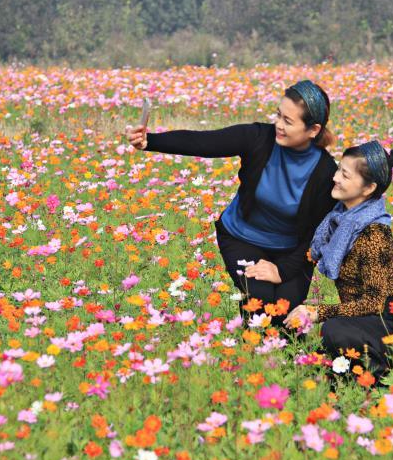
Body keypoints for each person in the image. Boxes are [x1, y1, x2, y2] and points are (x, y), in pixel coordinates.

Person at [127, 80, 337, 323]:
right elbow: (204, 142)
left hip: (292, 252)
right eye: (278, 115)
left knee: (286, 315)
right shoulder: (258, 137)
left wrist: (282, 271)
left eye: (288, 121)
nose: (278, 125)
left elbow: (318, 234)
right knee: (260, 301)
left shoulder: (325, 171)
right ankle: (251, 352)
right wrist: (149, 142)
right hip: (243, 238)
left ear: (313, 130)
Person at [285, 141, 393, 381]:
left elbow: (374, 303)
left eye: (345, 174)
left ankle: (375, 371)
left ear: (368, 188)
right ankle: (341, 366)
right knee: (328, 330)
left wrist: (317, 312)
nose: (335, 178)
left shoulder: (374, 233)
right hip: (358, 320)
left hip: (386, 324)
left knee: (332, 328)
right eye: (338, 170)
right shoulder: (338, 218)